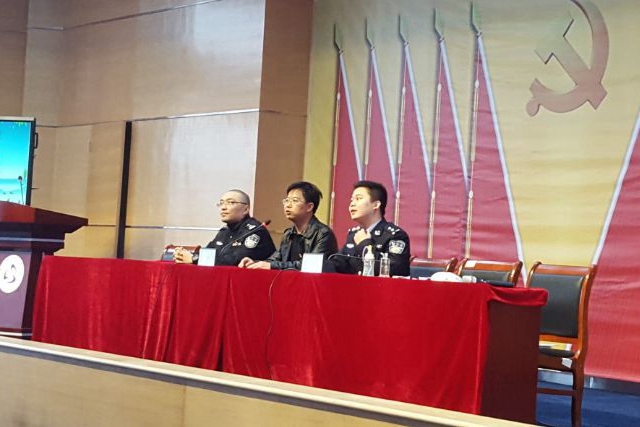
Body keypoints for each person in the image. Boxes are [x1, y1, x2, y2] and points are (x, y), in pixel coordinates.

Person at [239, 181, 338, 270]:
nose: (287, 205)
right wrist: (255, 263)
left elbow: (311, 266)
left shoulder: (323, 234)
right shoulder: (289, 233)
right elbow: (276, 259)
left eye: (294, 201)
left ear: (309, 207)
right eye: (286, 200)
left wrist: (272, 266)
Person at [329, 180, 411, 276]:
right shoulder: (354, 234)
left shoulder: (395, 235)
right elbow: (338, 264)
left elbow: (395, 269)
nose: (352, 204)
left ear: (376, 205)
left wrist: (364, 245)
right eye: (351, 200)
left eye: (358, 199)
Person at [174, 189, 275, 266]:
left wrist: (195, 259)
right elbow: (208, 252)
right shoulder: (225, 231)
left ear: (246, 209)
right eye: (221, 203)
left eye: (230, 203)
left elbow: (235, 260)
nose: (223, 207)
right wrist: (187, 255)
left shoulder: (255, 231)